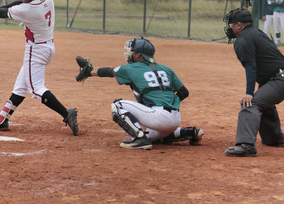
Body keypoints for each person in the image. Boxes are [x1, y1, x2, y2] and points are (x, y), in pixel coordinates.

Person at [0, 0, 78, 135]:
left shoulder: (29, 10)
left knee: (36, 89)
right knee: (20, 86)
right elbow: (16, 5)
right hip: (48, 47)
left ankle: (67, 114)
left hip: (36, 51)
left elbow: (6, 12)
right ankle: (1, 119)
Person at [75, 38, 203, 150]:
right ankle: (190, 132)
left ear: (139, 55)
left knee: (118, 105)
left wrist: (89, 72)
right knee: (152, 136)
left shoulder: (132, 68)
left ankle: (139, 139)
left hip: (158, 117)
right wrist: (169, 102)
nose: (130, 53)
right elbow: (184, 92)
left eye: (133, 51)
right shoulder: (166, 69)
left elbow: (108, 71)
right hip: (175, 119)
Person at [222, 9, 284, 157]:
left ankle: (246, 146)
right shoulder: (256, 32)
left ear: (239, 25)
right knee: (263, 101)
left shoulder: (243, 40)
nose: (230, 28)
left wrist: (249, 93)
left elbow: (251, 67)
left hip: (282, 79)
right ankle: (274, 139)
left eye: (231, 24)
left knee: (251, 103)